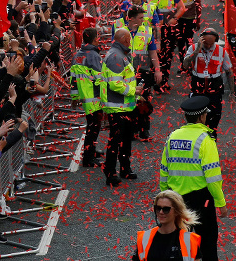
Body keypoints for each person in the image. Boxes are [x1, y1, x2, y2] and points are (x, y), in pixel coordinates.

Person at [159, 96, 226, 261]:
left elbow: (164, 169)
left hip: (176, 198)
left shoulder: (173, 136)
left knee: (178, 243)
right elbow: (212, 177)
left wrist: (165, 196)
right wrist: (221, 203)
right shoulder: (205, 139)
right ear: (202, 116)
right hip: (201, 199)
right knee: (207, 242)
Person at [99, 27, 139, 186]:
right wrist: (134, 91)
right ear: (124, 40)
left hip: (125, 106)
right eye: (129, 38)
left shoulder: (119, 54)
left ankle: (124, 168)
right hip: (117, 107)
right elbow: (116, 84)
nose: (130, 41)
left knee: (126, 140)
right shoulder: (116, 56)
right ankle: (110, 172)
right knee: (115, 141)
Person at [181, 28, 232, 136]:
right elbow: (185, 65)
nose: (208, 46)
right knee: (196, 120)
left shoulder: (222, 51)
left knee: (214, 120)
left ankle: (211, 142)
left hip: (214, 89)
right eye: (206, 44)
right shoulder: (193, 48)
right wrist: (197, 50)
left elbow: (229, 72)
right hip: (198, 88)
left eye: (211, 44)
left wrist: (232, 92)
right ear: (201, 40)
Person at [134, 190, 201, 261]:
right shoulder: (144, 238)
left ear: (176, 211)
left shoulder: (189, 240)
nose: (161, 212)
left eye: (166, 209)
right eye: (158, 208)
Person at [69, 27, 103, 167]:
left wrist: (74, 98)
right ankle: (88, 159)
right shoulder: (94, 56)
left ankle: (92, 151)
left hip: (85, 97)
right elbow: (100, 79)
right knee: (93, 128)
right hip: (95, 97)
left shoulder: (77, 55)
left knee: (92, 126)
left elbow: (73, 79)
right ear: (95, 39)